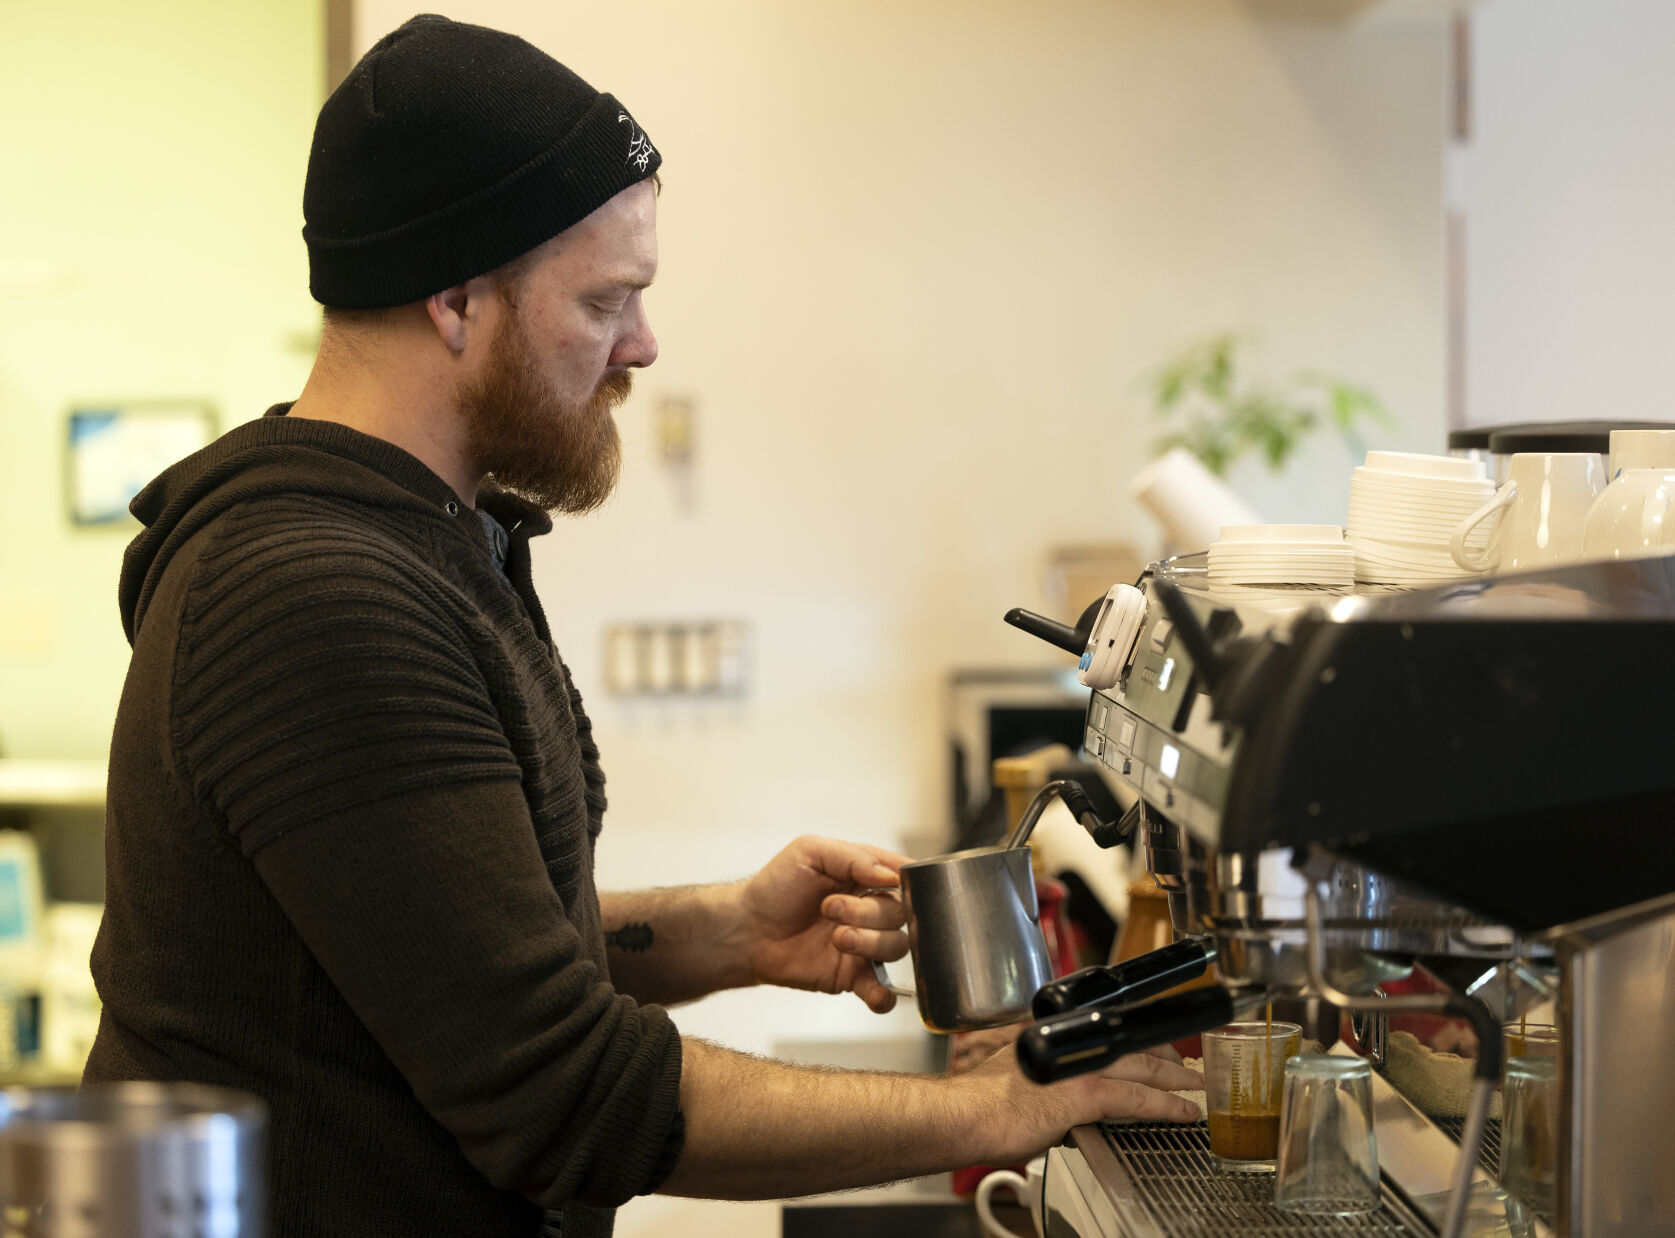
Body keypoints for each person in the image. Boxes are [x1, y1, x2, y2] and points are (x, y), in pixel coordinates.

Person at [84, 14, 1201, 1238]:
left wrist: (725, 928)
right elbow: (560, 1093)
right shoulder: (316, 591)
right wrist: (992, 1113)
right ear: (455, 297)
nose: (644, 344)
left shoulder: (437, 539)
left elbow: (452, 952)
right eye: (607, 298)